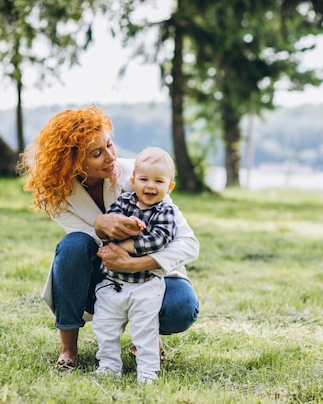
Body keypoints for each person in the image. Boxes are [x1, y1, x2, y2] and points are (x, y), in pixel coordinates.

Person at [19, 104, 200, 374]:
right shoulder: (57, 194)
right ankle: (68, 348)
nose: (110, 157)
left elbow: (188, 242)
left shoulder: (139, 176)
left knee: (181, 308)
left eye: (110, 145)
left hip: (149, 273)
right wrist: (100, 225)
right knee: (73, 245)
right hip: (101, 278)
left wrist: (137, 263)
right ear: (72, 162)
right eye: (96, 153)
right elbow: (86, 243)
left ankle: (147, 339)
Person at [93, 147, 178, 384]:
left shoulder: (165, 212)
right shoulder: (123, 203)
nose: (150, 186)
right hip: (113, 283)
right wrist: (123, 225)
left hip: (146, 285)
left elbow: (160, 239)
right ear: (133, 181)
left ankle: (148, 372)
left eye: (158, 181)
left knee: (145, 331)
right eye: (144, 179)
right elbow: (110, 228)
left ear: (169, 187)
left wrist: (127, 245)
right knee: (105, 326)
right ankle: (108, 365)